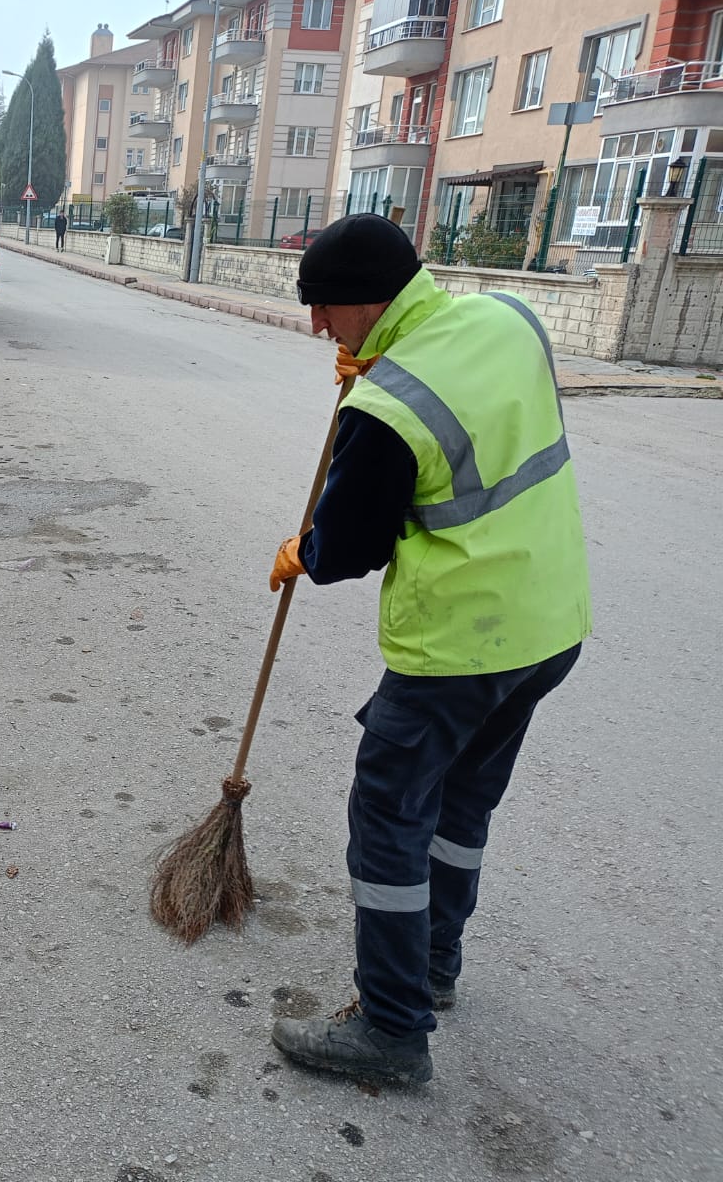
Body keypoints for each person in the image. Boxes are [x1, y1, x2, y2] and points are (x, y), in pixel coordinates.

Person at [267, 214, 591, 1087]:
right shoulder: (509, 318)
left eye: (325, 310)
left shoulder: (387, 405)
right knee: (461, 807)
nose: (316, 327)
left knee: (388, 821)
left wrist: (309, 547)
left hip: (460, 647)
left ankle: (392, 1030)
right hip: (550, 625)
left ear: (370, 303)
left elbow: (349, 549)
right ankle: (435, 966)